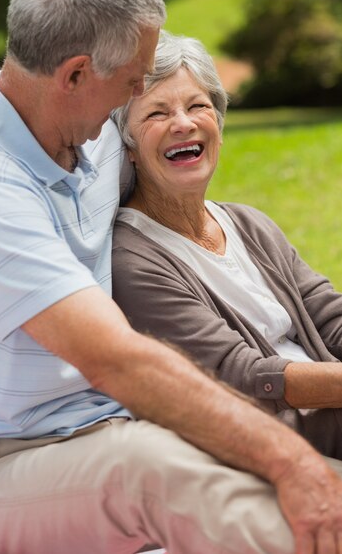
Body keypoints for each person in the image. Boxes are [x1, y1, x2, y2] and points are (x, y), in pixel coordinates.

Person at [0, 0, 342, 554]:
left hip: (108, 432)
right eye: (134, 84)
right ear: (73, 75)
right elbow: (116, 360)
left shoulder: (92, 144)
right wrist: (291, 461)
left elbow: (173, 173)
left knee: (171, 453)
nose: (141, 91)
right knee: (149, 467)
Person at [111, 30, 342, 461]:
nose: (184, 122)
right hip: (282, 445)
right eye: (156, 113)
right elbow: (241, 376)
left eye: (198, 105)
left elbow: (329, 317)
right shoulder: (132, 259)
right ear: (129, 149)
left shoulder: (248, 223)